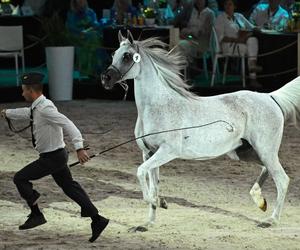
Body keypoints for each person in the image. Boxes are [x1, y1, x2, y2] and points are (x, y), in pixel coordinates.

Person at [0, 72, 109, 243]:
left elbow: (68, 124)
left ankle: (36, 214)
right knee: (70, 187)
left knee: (20, 178)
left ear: (31, 91)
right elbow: (27, 113)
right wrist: (8, 113)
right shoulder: (39, 106)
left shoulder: (45, 108)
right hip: (57, 156)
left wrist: (79, 148)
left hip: (52, 158)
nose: (22, 94)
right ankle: (98, 219)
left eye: (23, 91)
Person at [215, 0, 262, 87]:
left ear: (234, 6)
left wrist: (259, 28)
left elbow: (251, 27)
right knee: (249, 45)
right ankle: (253, 75)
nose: (227, 6)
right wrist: (237, 40)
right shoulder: (220, 18)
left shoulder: (239, 16)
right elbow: (221, 38)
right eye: (225, 4)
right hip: (229, 45)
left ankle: (252, 69)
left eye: (230, 4)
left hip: (242, 43)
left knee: (253, 40)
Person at [66, 0, 108, 77]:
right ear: (75, 2)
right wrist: (82, 32)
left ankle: (93, 70)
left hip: (90, 35)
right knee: (93, 37)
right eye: (79, 1)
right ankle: (92, 69)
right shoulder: (71, 13)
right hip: (77, 36)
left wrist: (101, 23)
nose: (81, 2)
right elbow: (71, 28)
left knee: (95, 36)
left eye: (83, 1)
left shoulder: (90, 12)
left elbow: (95, 24)